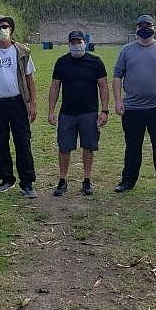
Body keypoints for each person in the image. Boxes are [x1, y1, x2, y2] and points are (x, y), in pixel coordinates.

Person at [113, 14, 156, 192]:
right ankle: (127, 182)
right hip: (132, 108)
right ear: (136, 28)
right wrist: (118, 101)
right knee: (133, 147)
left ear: (154, 28)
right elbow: (117, 75)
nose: (145, 28)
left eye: (148, 25)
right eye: (141, 25)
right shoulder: (126, 51)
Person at [0, 15, 38, 198]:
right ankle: (6, 179)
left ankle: (27, 183)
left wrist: (32, 102)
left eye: (5, 26)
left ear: (10, 29)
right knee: (0, 143)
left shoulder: (21, 51)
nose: (2, 30)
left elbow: (29, 78)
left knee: (23, 143)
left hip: (18, 103)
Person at [48, 30, 109, 196]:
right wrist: (51, 111)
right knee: (64, 147)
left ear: (85, 42)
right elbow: (55, 87)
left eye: (79, 42)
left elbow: (103, 86)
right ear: (68, 44)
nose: (76, 45)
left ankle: (87, 179)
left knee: (88, 146)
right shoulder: (61, 62)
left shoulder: (95, 62)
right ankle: (62, 179)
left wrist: (104, 110)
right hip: (67, 113)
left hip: (89, 113)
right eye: (73, 42)